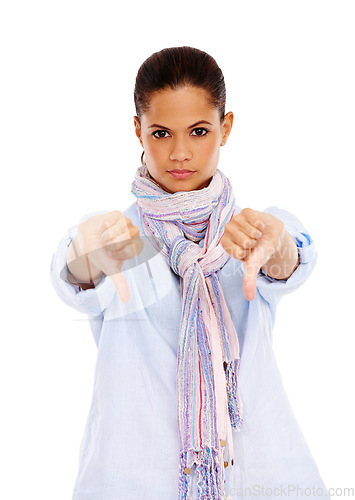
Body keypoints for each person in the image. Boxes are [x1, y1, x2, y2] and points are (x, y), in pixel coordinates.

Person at [50, 46, 330, 500]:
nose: (180, 153)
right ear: (137, 130)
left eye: (199, 131)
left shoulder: (250, 231)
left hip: (255, 473)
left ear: (226, 127)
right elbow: (72, 271)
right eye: (161, 133)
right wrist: (86, 254)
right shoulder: (115, 236)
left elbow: (290, 257)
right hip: (133, 477)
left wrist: (277, 246)